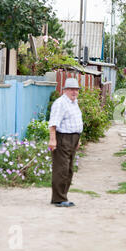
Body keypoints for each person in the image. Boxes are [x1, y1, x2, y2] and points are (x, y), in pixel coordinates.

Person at [48, 78, 83, 208]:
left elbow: (76, 122)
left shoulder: (74, 102)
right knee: (61, 169)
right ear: (65, 90)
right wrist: (52, 140)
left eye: (76, 89)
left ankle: (63, 196)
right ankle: (58, 198)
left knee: (68, 170)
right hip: (63, 138)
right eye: (71, 89)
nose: (74, 92)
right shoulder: (60, 103)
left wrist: (78, 140)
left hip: (73, 138)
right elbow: (53, 123)